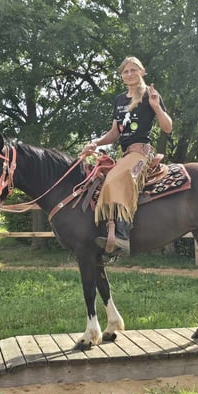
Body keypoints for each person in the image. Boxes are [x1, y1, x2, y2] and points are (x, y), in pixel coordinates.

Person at [82, 56, 173, 254]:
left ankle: (122, 236)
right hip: (125, 154)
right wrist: (95, 143)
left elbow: (167, 128)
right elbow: (114, 133)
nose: (129, 74)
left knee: (118, 178)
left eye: (133, 70)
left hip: (141, 153)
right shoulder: (119, 100)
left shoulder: (150, 95)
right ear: (122, 76)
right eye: (125, 71)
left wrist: (157, 106)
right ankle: (108, 230)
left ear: (142, 72)